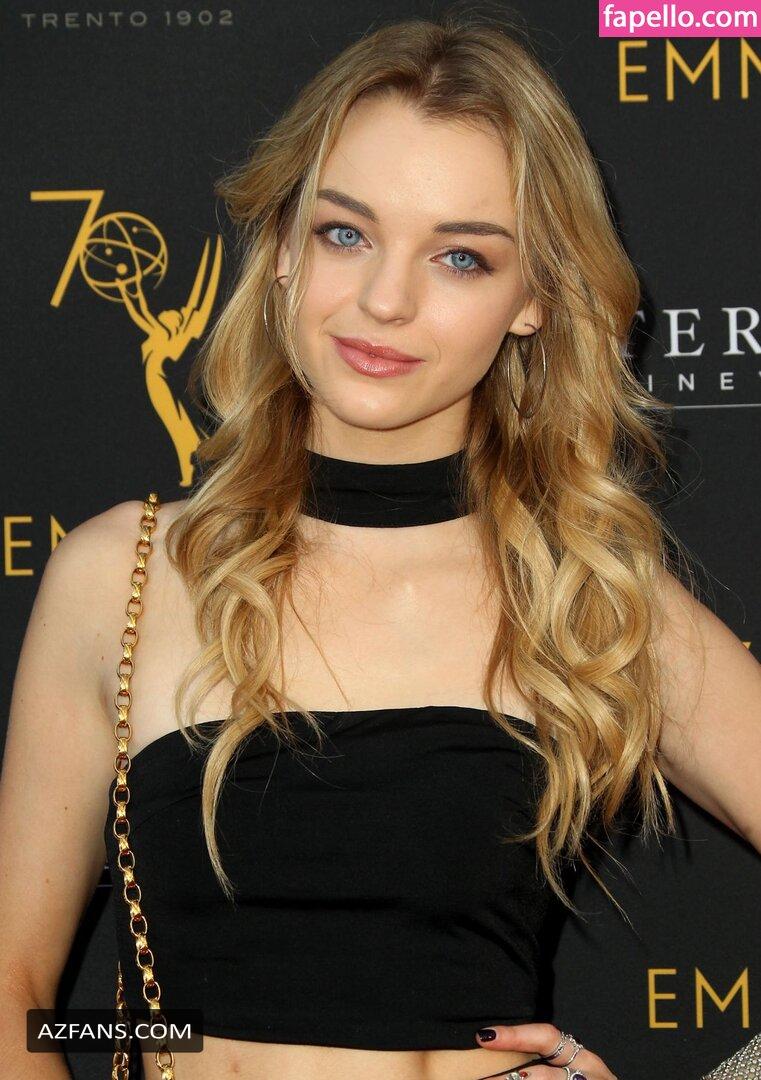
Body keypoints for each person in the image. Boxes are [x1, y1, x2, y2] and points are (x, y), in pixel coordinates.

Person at [2, 10, 759, 1080]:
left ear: (532, 300)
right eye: (345, 234)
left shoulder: (582, 598)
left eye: (460, 257)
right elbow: (22, 1003)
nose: (385, 300)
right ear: (282, 247)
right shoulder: (120, 576)